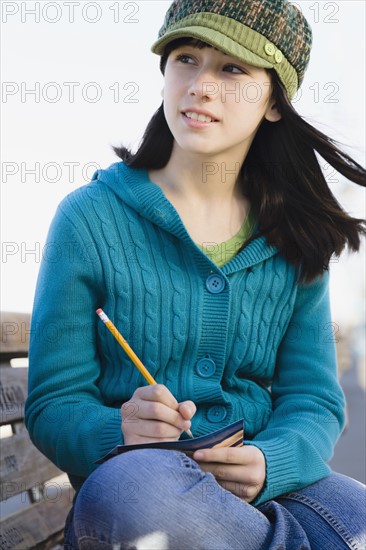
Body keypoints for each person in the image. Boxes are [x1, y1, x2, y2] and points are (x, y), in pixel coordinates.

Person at [25, 0, 366, 548]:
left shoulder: (295, 237)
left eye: (232, 68)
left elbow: (314, 400)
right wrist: (120, 429)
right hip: (139, 488)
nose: (201, 85)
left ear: (274, 101)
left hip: (262, 495)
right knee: (139, 498)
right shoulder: (89, 218)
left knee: (359, 508)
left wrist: (269, 460)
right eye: (186, 58)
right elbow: (52, 404)